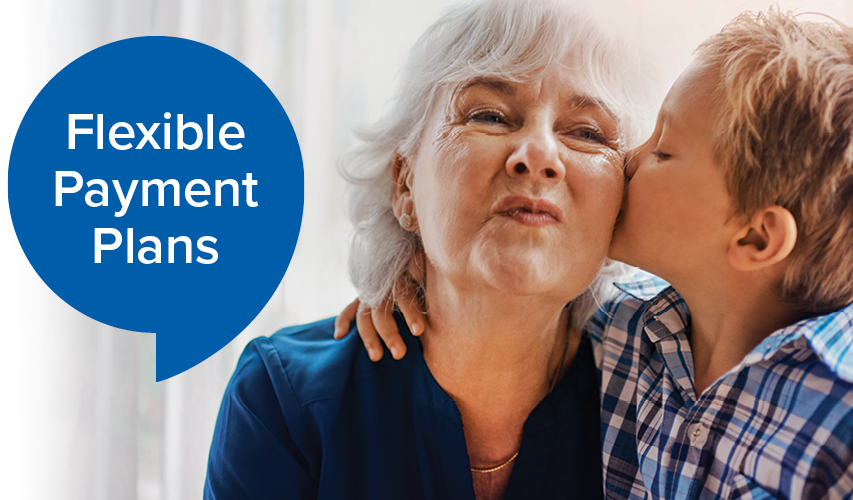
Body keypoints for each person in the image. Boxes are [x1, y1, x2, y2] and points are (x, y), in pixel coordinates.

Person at [344, 8, 853, 499]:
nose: (626, 161)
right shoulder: (632, 333)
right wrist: (408, 278)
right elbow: (507, 299)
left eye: (663, 149)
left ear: (754, 238)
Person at [203, 1, 656, 499]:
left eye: (587, 133)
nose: (539, 156)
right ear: (404, 184)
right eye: (490, 115)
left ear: (620, 209)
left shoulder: (662, 404)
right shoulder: (283, 400)